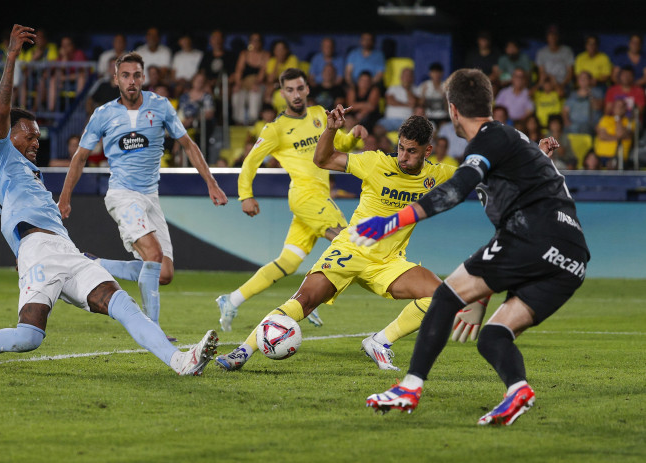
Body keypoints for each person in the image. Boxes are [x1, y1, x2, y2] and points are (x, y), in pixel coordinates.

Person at [0, 25, 219, 375]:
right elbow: (2, 109)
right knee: (28, 337)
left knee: (122, 304)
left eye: (38, 136)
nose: (36, 141)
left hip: (65, 251)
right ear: (9, 134)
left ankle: (181, 360)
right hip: (38, 253)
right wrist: (12, 56)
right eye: (29, 134)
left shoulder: (32, 175)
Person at [360, 68, 589, 427]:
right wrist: (481, 293)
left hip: (534, 238)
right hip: (572, 258)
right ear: (490, 101)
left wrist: (392, 221)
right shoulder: (511, 142)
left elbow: (457, 188)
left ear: (452, 111)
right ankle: (517, 391)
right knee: (493, 336)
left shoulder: (487, 139)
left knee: (445, 297)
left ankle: (409, 387)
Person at [216, 112, 487, 371]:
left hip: (389, 262)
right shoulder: (375, 162)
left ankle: (379, 342)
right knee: (304, 300)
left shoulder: (438, 175)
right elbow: (323, 159)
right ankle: (243, 351)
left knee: (440, 297)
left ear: (427, 151)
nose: (403, 156)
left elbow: (483, 175)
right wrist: (331, 129)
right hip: (351, 249)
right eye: (401, 148)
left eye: (411, 151)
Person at [58, 52, 228, 332]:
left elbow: (187, 144)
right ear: (116, 79)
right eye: (125, 75)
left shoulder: (160, 106)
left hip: (150, 196)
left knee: (164, 273)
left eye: (137, 75)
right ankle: (152, 330)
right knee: (153, 253)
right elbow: (79, 158)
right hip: (123, 195)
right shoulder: (103, 114)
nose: (131, 81)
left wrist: (211, 182)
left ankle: (95, 263)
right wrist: (64, 198)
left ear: (144, 77)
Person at [215, 68, 367, 333]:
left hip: (315, 199)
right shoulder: (276, 129)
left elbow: (338, 145)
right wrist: (246, 195)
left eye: (300, 88)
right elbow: (251, 161)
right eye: (289, 90)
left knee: (288, 262)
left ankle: (232, 299)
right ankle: (314, 296)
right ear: (281, 93)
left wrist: (353, 136)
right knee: (349, 242)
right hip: (306, 196)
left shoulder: (320, 114)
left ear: (307, 89)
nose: (296, 95)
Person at [231, 33, 269, 125]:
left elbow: (262, 73)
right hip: (244, 84)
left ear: (261, 42)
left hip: (258, 84)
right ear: (249, 42)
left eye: (257, 40)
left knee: (254, 94)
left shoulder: (266, 55)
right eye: (253, 40)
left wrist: (256, 83)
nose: (255, 43)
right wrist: (238, 84)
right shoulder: (244, 54)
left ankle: (253, 122)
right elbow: (239, 71)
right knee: (237, 94)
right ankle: (239, 122)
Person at [594, 99, 633, 169]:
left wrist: (617, 117)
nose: (618, 108)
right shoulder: (605, 119)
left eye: (621, 106)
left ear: (625, 109)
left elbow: (620, 133)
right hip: (600, 156)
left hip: (619, 158)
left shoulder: (630, 122)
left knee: (612, 164)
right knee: (591, 161)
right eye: (617, 106)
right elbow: (602, 136)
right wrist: (618, 139)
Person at [535, 25, 574, 93]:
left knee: (562, 92)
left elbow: (570, 73)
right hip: (548, 83)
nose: (553, 37)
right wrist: (549, 83)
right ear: (547, 37)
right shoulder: (541, 52)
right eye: (550, 35)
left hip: (564, 83)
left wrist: (561, 86)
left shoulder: (567, 51)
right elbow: (542, 73)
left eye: (555, 35)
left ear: (558, 37)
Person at [377, 67, 416, 132]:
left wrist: (408, 89)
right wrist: (407, 104)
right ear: (401, 77)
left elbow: (413, 103)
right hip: (390, 120)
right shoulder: (393, 88)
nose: (407, 77)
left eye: (409, 75)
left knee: (407, 132)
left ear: (413, 78)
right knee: (377, 130)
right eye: (405, 75)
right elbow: (390, 101)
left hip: (407, 121)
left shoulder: (416, 90)